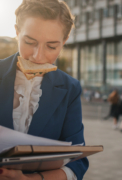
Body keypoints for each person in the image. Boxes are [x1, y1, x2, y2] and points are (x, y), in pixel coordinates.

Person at [0, 1, 88, 180]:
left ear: (64, 42)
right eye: (29, 42)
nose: (38, 56)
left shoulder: (70, 88)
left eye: (51, 46)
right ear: (17, 32)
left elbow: (77, 161)